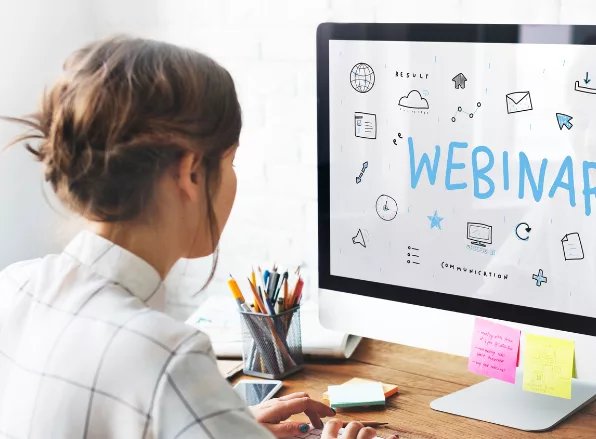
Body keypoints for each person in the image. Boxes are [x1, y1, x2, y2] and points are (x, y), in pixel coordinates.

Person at [0, 35, 395, 439]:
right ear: (190, 171)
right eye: (230, 161)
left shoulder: (14, 287)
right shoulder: (167, 358)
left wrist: (215, 421)